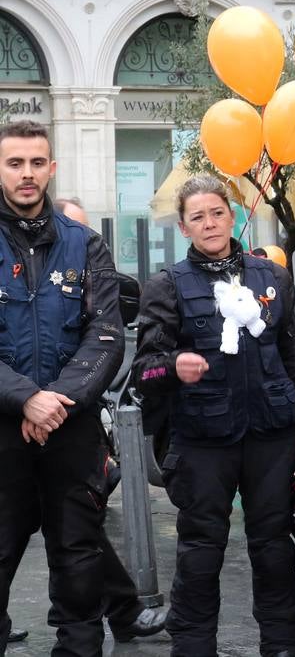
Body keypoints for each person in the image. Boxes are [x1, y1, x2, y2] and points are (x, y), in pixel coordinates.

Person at [132, 175, 295, 657]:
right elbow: (143, 371)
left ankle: (280, 645)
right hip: (202, 440)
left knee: (274, 548)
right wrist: (173, 367)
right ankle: (194, 647)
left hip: (271, 436)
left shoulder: (272, 278)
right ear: (183, 228)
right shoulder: (166, 286)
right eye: (197, 217)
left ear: (232, 215)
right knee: (200, 551)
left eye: (217, 212)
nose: (210, 223)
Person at [0, 120, 125, 655]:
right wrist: (23, 396)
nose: (26, 174)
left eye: (36, 163)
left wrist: (53, 402)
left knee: (79, 565)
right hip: (3, 434)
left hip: (71, 434)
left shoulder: (87, 246)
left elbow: (107, 335)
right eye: (14, 163)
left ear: (52, 168)